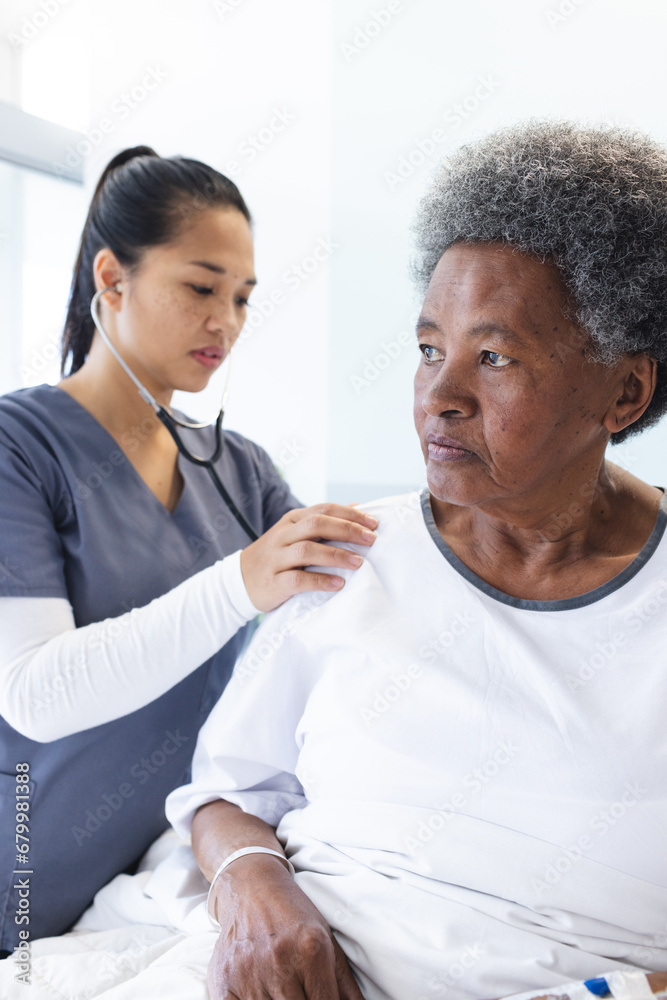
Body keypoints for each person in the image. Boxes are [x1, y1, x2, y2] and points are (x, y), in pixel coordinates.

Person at [165, 121, 667, 1000]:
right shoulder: (348, 555)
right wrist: (253, 886)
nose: (439, 398)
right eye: (429, 349)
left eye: (494, 357)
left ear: (623, 391)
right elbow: (224, 793)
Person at [0, 146, 377, 952]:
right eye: (201, 287)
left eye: (241, 297)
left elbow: (338, 610)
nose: (227, 322)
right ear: (112, 278)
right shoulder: (18, 447)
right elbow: (34, 693)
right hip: (24, 871)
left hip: (152, 879)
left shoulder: (240, 472)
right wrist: (239, 581)